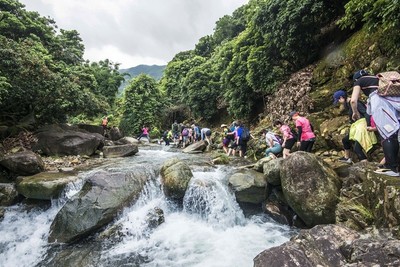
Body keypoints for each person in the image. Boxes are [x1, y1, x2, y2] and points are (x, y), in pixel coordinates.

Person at [350, 69, 400, 176]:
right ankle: (395, 166)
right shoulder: (379, 79)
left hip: (381, 103)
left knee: (388, 135)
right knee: (395, 133)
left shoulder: (359, 81)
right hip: (395, 101)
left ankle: (392, 168)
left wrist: (355, 112)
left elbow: (353, 100)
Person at [333, 89, 377, 163]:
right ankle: (347, 158)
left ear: (341, 97)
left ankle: (365, 165)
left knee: (357, 148)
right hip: (357, 127)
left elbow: (366, 113)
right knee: (345, 140)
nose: (338, 103)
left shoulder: (356, 103)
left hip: (363, 126)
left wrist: (368, 125)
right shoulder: (347, 104)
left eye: (338, 100)